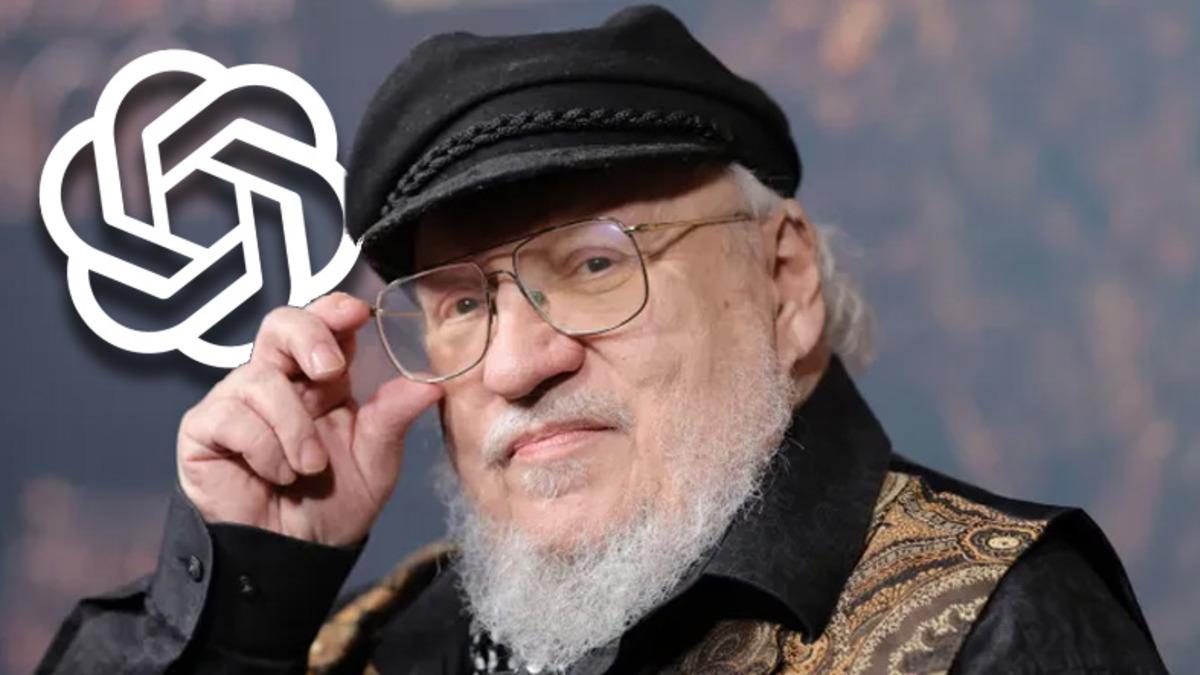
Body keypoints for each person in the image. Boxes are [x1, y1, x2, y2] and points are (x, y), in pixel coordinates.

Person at [37, 5, 1166, 674]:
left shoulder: (989, 624)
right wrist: (248, 601)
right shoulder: (376, 643)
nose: (518, 365)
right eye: (463, 303)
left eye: (594, 265)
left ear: (784, 282)